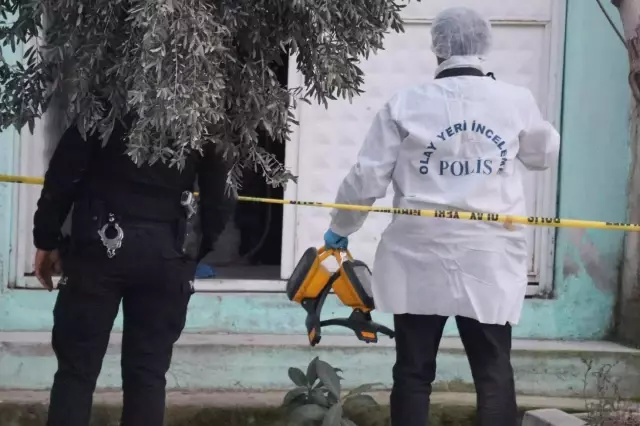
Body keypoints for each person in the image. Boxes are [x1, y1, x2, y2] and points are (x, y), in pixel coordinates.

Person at [323, 6, 560, 426]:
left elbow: (367, 176)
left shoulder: (405, 103)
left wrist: (341, 228)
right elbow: (542, 155)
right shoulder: (515, 100)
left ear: (438, 49)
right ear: (484, 48)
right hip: (488, 256)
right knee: (493, 372)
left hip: (419, 254)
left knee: (413, 372)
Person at [33, 115, 235, 426]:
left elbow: (63, 174)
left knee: (76, 371)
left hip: (97, 248)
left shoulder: (104, 102)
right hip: (167, 253)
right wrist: (192, 252)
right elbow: (221, 194)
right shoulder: (199, 109)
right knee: (148, 373)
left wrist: (46, 238)